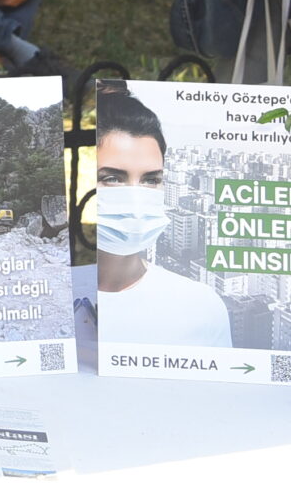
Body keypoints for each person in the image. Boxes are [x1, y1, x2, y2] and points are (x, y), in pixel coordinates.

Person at [92, 85, 234, 347]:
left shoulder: (200, 306)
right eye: (112, 178)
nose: (135, 197)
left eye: (150, 179)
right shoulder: (46, 300)